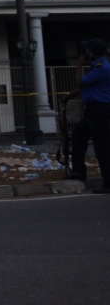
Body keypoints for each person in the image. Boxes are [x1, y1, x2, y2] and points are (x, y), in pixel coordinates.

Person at [69, 38, 110, 194]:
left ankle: (108, 182)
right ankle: (79, 172)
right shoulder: (96, 67)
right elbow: (87, 87)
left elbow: (80, 82)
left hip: (99, 109)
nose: (85, 53)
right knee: (78, 137)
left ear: (91, 52)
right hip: (93, 109)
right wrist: (69, 96)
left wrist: (79, 64)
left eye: (87, 51)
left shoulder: (101, 68)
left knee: (102, 146)